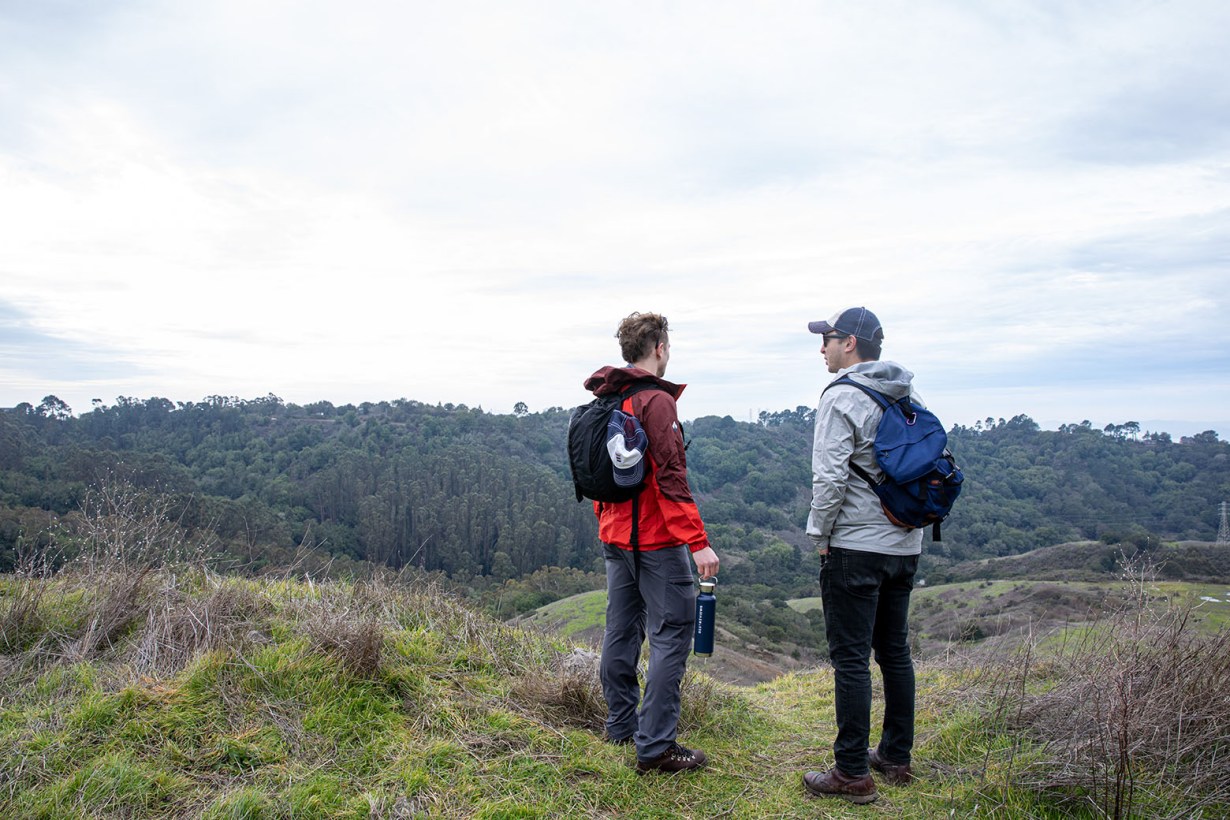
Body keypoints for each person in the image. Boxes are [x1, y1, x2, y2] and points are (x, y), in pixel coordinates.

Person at [583, 311, 720, 774]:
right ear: (659, 348)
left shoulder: (611, 395)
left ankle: (621, 724)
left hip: (613, 533)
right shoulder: (654, 401)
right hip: (654, 539)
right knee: (672, 631)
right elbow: (670, 477)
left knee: (621, 628)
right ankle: (656, 746)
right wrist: (697, 542)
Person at [801, 306, 921, 804]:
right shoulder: (905, 392)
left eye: (827, 338)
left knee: (850, 658)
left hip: (855, 544)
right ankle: (895, 755)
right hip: (905, 542)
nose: (821, 347)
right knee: (893, 650)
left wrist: (819, 534)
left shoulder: (842, 396)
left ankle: (851, 773)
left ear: (849, 342)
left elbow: (829, 477)